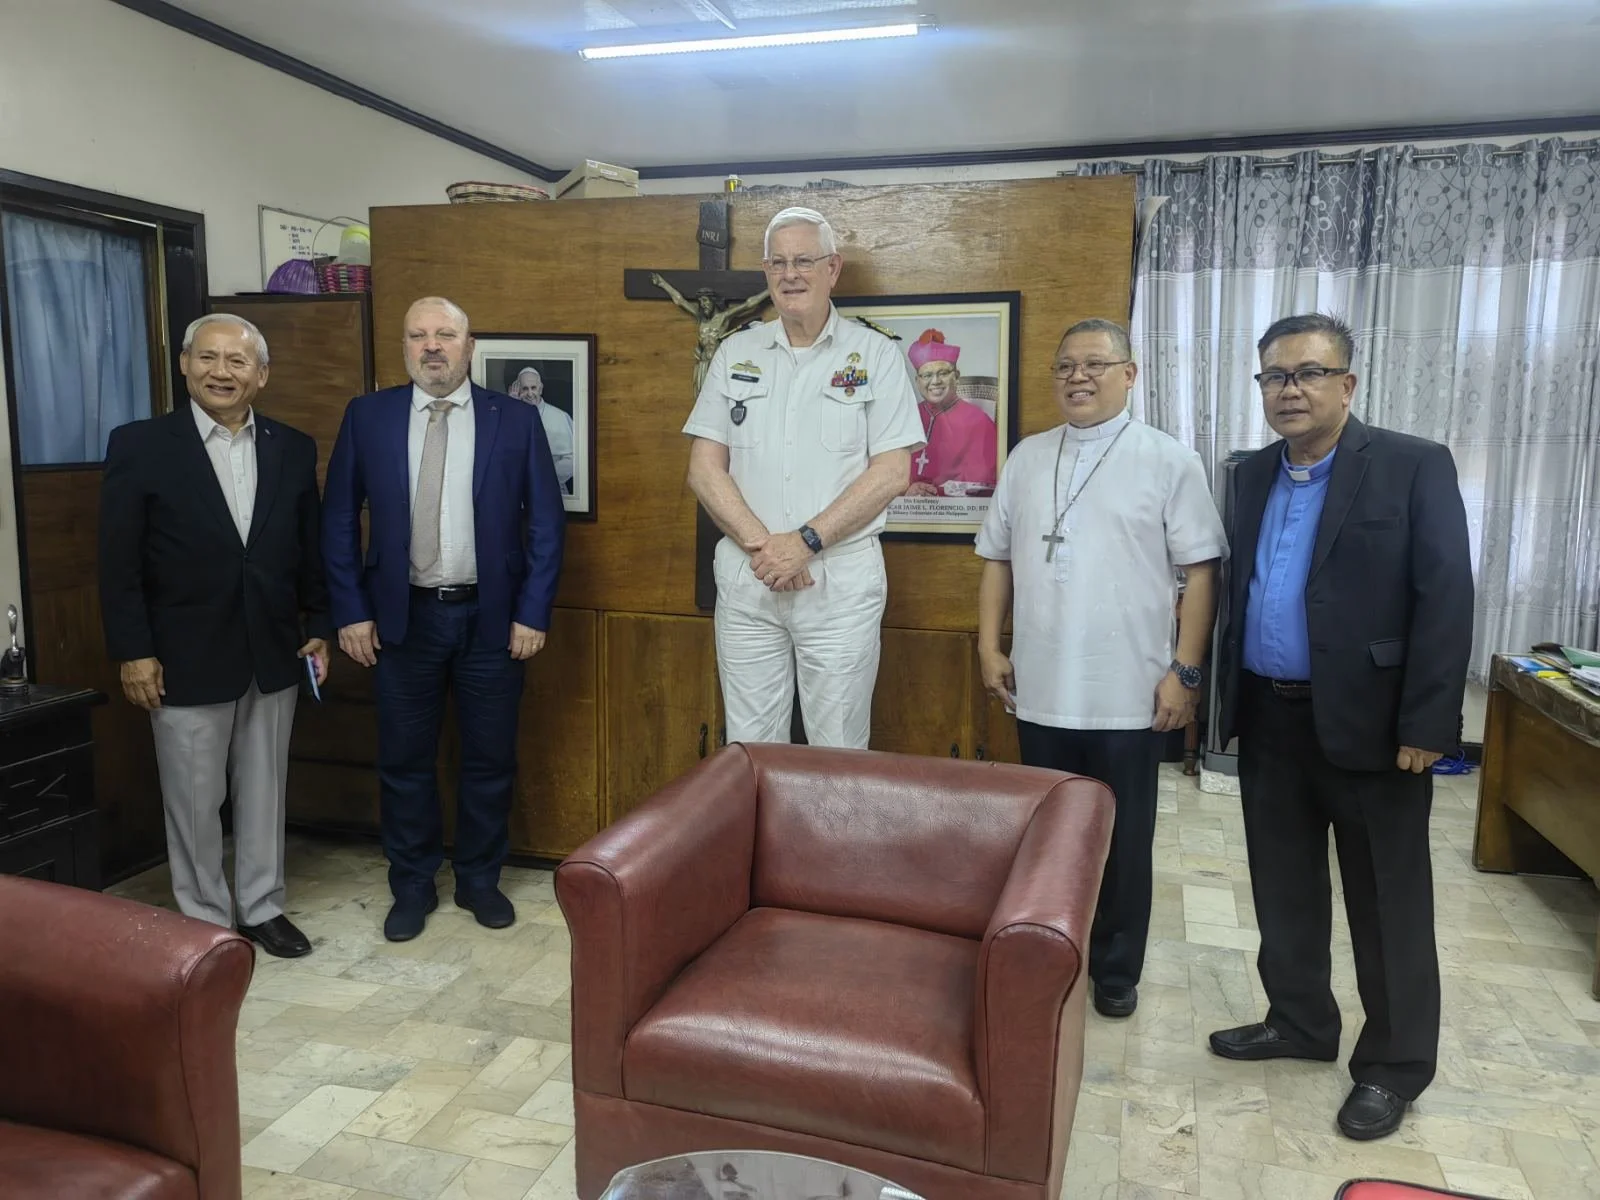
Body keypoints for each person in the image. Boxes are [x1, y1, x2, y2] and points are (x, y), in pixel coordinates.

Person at [1210, 313, 1473, 1142]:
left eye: (1309, 373)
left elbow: (1446, 597)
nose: (1290, 389)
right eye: (1274, 377)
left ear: (1347, 384)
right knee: (1282, 886)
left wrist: (1430, 721)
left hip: (1377, 728)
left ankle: (1393, 1066)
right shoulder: (1249, 474)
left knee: (1388, 903)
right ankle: (1299, 1021)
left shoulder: (1409, 465)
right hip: (1270, 713)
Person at [976, 318, 1227, 1018]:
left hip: (1130, 689)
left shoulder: (1169, 459)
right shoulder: (1028, 456)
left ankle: (1116, 967)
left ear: (1130, 374)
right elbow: (995, 557)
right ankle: (1045, 951)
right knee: (1045, 834)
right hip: (1041, 686)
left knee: (1123, 837)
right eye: (1065, 366)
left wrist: (1187, 671)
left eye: (1094, 363)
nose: (1077, 377)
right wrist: (988, 646)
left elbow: (1200, 572)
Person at [323, 296, 565, 943]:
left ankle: (480, 880)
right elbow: (339, 519)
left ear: (469, 344)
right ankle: (412, 884)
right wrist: (350, 611)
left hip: (492, 621)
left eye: (445, 335)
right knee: (404, 763)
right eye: (419, 335)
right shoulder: (368, 417)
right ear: (405, 346)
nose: (432, 346)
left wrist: (532, 612)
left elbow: (545, 522)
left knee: (489, 761)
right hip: (401, 622)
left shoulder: (514, 420)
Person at [98, 314, 330, 958]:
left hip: (275, 647)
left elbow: (306, 546)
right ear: (184, 364)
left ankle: (261, 906)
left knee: (264, 789)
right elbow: (117, 561)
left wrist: (322, 625)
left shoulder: (292, 445)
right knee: (195, 800)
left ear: (261, 375)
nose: (220, 371)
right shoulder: (140, 445)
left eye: (237, 361)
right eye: (208, 358)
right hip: (180, 655)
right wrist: (133, 650)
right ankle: (204, 920)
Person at [683, 207, 925, 747]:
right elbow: (703, 468)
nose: (790, 274)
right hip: (752, 578)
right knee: (748, 748)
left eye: (804, 261)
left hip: (837, 583)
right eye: (778, 263)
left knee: (837, 750)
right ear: (766, 272)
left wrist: (806, 542)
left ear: (833, 269)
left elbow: (892, 471)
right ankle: (762, 837)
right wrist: (765, 547)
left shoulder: (877, 354)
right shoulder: (734, 352)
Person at [904, 329, 998, 497]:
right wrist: (907, 489)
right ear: (917, 382)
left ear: (956, 376)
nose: (935, 381)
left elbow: (983, 484)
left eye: (943, 373)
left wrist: (936, 491)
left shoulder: (979, 421)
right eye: (927, 375)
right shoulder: (905, 418)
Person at [509, 367, 575, 494]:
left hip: (552, 489)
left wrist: (541, 476)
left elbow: (573, 460)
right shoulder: (511, 415)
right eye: (524, 389)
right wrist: (511, 407)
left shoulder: (559, 417)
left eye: (533, 388)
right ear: (518, 391)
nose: (529, 393)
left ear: (540, 388)